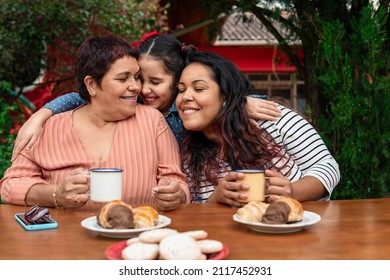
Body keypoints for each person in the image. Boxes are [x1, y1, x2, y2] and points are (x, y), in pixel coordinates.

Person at [11, 34, 282, 159]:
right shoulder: (133, 105)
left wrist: (236, 103)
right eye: (139, 78)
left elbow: (219, 94)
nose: (143, 89)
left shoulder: (188, 110)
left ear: (178, 81)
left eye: (156, 81)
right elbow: (80, 97)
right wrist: (42, 114)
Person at [0, 35, 189, 211]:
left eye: (136, 77)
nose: (136, 87)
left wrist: (175, 193)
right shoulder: (49, 128)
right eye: (123, 78)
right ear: (91, 85)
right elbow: (10, 184)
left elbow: (177, 182)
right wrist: (55, 194)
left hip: (137, 239)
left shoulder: (153, 121)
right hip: (65, 241)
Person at [176, 51, 340, 206]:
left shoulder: (269, 117)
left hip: (294, 226)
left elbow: (328, 167)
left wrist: (294, 191)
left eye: (198, 88)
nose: (185, 97)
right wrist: (216, 198)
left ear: (225, 94)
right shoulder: (190, 153)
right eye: (181, 90)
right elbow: (197, 212)